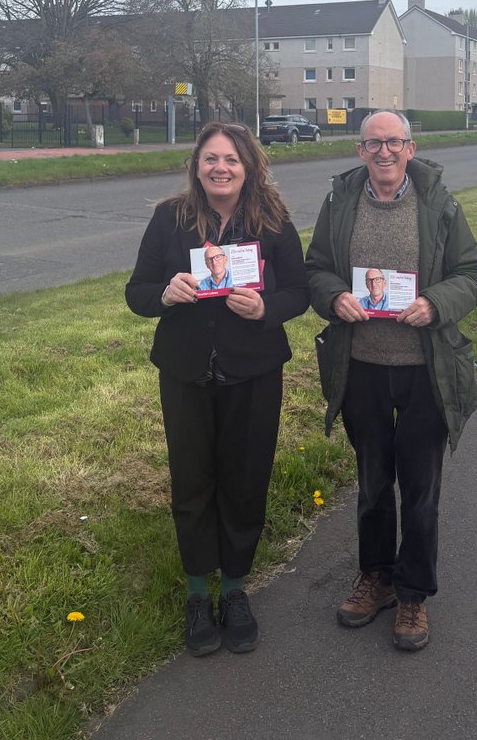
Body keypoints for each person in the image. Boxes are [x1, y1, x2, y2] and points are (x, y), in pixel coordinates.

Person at [126, 122, 309, 657]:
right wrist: (165, 293)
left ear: (248, 165)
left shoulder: (272, 222)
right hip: (185, 373)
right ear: (196, 166)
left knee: (245, 479)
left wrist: (266, 309)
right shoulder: (170, 219)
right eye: (210, 159)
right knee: (192, 479)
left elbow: (298, 291)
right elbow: (136, 292)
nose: (220, 168)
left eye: (230, 158)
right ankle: (195, 592)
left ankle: (234, 589)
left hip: (253, 372)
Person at [306, 109, 477, 652]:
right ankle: (376, 578)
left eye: (394, 143)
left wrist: (434, 303)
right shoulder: (340, 203)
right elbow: (314, 268)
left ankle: (413, 594)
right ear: (359, 151)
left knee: (421, 491)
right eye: (372, 144)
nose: (383, 152)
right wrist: (334, 295)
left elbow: (470, 275)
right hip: (362, 367)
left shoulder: (440, 205)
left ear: (410, 148)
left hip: (425, 369)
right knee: (373, 484)